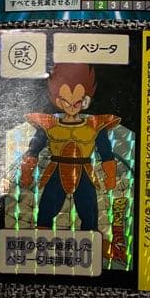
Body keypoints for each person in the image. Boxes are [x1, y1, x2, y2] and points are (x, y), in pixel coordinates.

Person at [19, 63, 118, 233]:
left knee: (89, 215)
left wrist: (110, 176)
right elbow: (34, 149)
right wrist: (27, 171)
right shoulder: (49, 125)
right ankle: (42, 243)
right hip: (56, 171)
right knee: (45, 214)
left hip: (85, 172)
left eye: (78, 101)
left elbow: (106, 153)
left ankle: (91, 244)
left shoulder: (95, 126)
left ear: (85, 100)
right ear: (58, 100)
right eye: (66, 101)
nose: (72, 105)